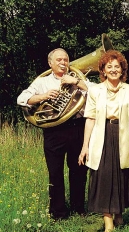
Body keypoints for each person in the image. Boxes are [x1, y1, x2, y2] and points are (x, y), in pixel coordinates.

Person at [17, 48, 91, 220]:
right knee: (55, 172)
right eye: (58, 60)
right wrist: (43, 96)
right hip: (54, 131)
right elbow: (21, 98)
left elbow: (97, 94)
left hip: (77, 127)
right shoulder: (41, 82)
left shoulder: (77, 77)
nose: (63, 63)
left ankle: (78, 208)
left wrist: (77, 82)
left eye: (65, 60)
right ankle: (58, 212)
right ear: (50, 63)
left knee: (79, 170)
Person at [78, 50, 129, 232]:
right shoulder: (95, 90)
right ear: (103, 70)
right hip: (101, 137)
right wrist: (85, 146)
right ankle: (109, 224)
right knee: (105, 177)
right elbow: (89, 118)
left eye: (117, 67)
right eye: (109, 67)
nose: (114, 70)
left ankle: (119, 212)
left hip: (123, 136)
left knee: (122, 174)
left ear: (122, 70)